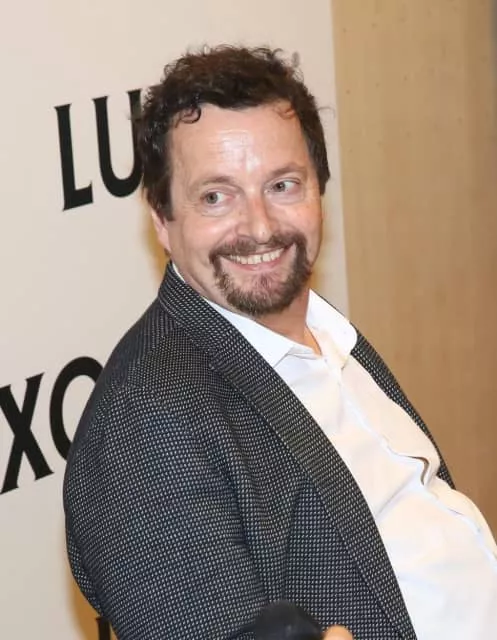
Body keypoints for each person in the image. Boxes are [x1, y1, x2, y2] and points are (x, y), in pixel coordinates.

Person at [63, 45, 497, 639]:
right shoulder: (147, 424)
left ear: (319, 190)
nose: (261, 227)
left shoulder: (323, 327)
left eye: (283, 185)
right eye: (216, 197)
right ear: (162, 219)